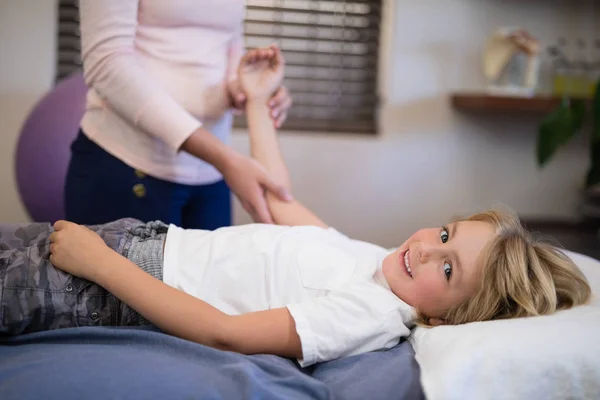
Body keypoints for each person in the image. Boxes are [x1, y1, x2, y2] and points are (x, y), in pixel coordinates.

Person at [1, 48, 592, 367]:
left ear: (447, 319)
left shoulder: (369, 315)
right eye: (444, 233)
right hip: (142, 242)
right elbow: (279, 204)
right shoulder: (375, 262)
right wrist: (257, 104)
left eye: (447, 268)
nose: (426, 249)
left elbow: (226, 334)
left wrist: (101, 266)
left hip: (125, 283)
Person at [64, 0, 294, 230]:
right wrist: (224, 158)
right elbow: (107, 62)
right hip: (128, 162)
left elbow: (227, 39)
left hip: (212, 174)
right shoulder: (226, 161)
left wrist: (244, 87)